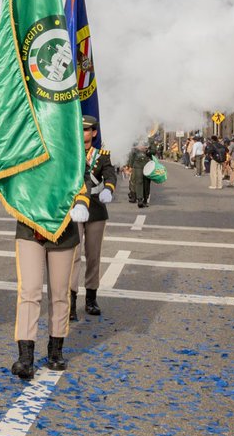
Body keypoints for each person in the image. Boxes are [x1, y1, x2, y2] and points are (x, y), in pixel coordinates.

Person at [11, 190, 90, 380]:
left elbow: (82, 178)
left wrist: (81, 202)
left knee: (59, 293)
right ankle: (25, 356)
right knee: (29, 290)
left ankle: (55, 349)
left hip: (62, 225)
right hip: (29, 225)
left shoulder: (74, 162)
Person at [69, 116, 116, 320]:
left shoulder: (102, 156)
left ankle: (91, 298)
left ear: (94, 133)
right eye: (80, 129)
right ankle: (70, 300)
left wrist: (108, 189)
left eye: (87, 130)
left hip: (96, 208)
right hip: (75, 207)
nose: (83, 133)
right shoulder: (71, 153)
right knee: (73, 255)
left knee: (93, 255)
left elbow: (110, 175)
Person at [126, 141, 151, 208]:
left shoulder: (149, 140)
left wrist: (147, 150)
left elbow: (153, 151)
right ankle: (140, 200)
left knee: (146, 184)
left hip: (148, 166)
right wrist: (130, 166)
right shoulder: (135, 141)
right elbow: (132, 154)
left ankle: (145, 200)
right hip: (137, 166)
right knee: (139, 182)